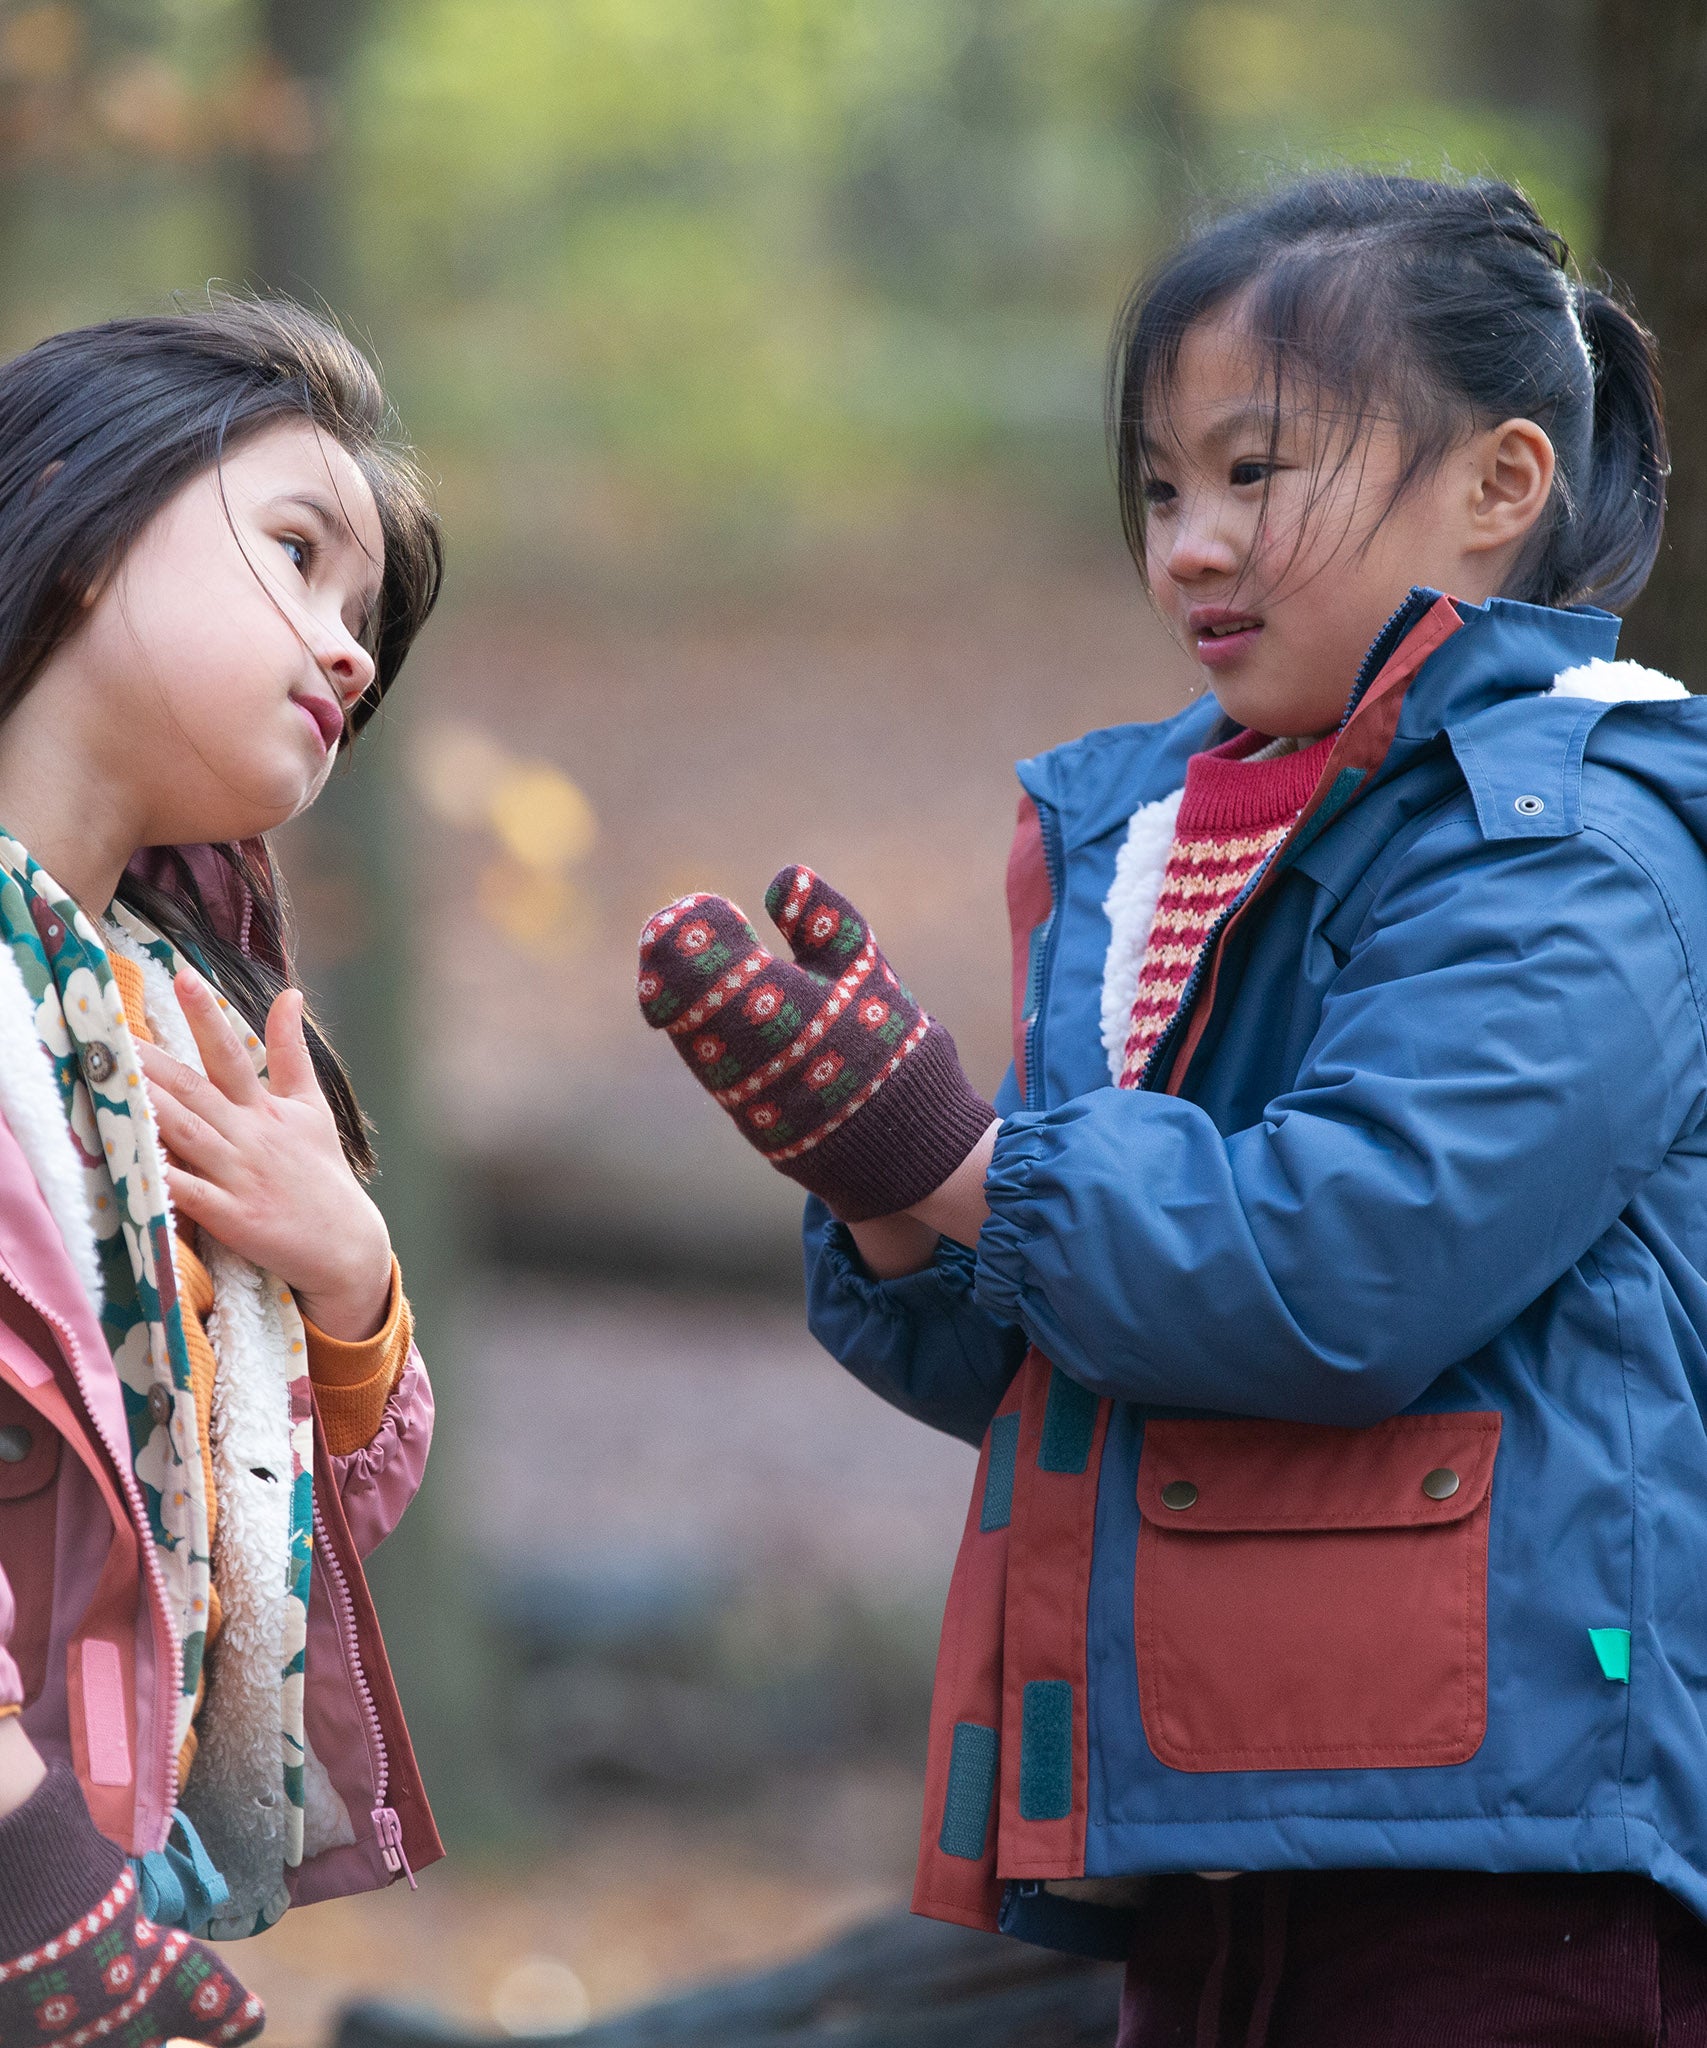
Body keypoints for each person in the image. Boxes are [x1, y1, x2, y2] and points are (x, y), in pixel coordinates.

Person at [636, 171, 1707, 2043]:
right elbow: (1069, 1372)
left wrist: (963, 1159)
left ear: (1500, 483)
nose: (1191, 546)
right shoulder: (1165, 850)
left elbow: (1345, 1264)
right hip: (1219, 1836)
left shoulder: (1576, 849)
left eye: (1255, 472)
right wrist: (885, 1186)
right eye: (1156, 487)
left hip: (1513, 1862)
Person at [0, 297, 443, 2045]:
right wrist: (33, 1884)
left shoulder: (173, 1021)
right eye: (298, 554)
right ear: (75, 509)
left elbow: (260, 1537)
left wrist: (348, 1282)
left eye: (363, 621)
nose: (348, 653)